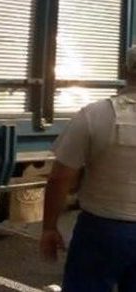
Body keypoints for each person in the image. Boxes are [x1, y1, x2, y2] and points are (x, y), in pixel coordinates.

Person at [40, 46, 136, 292]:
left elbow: (60, 178)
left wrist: (49, 227)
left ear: (126, 70)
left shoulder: (95, 115)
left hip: (100, 230)